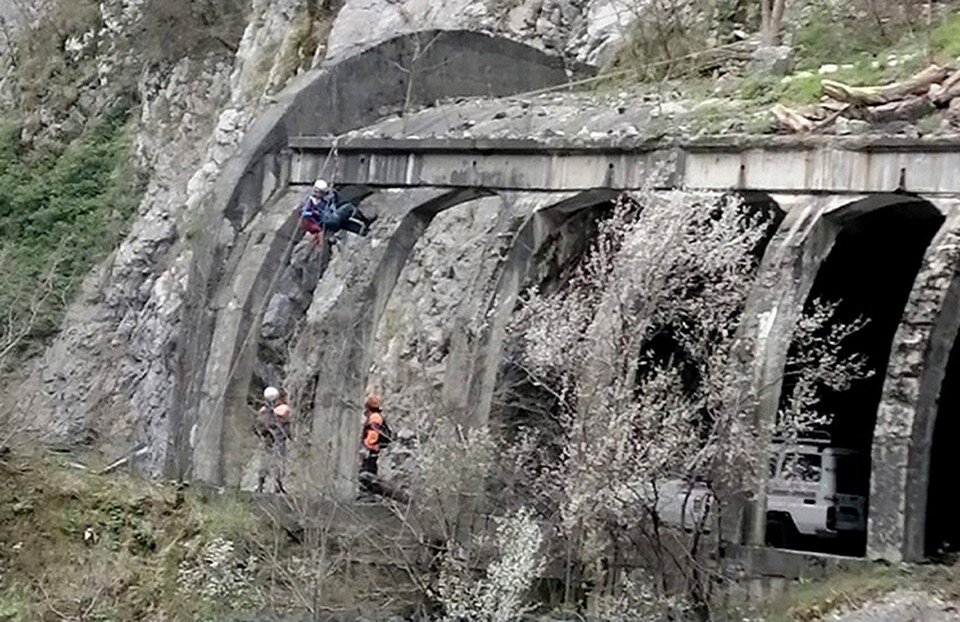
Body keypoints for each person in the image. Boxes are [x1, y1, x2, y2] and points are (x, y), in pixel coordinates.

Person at [298, 179, 375, 245]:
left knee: (343, 223)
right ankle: (365, 220)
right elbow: (306, 215)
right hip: (328, 220)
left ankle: (362, 231)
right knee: (348, 207)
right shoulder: (310, 202)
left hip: (328, 223)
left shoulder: (321, 199)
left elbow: (332, 197)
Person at [256, 386, 292, 494]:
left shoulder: (264, 412)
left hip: (268, 440)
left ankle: (261, 485)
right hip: (278, 440)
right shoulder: (283, 409)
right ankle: (277, 485)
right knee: (279, 461)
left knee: (265, 460)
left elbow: (259, 427)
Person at [358, 393, 393, 497]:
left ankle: (367, 492)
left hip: (372, 449)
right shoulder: (376, 416)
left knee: (368, 471)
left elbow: (373, 433)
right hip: (374, 448)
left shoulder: (374, 417)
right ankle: (368, 492)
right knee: (369, 470)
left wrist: (367, 445)